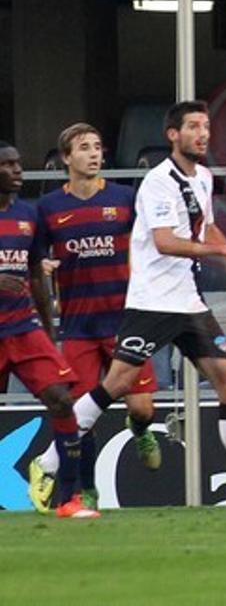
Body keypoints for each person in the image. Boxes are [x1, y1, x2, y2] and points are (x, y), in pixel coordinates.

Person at [67, 101, 226, 510]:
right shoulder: (157, 182)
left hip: (187, 302)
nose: (203, 134)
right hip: (151, 302)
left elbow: (205, 226)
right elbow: (166, 242)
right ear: (173, 135)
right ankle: (47, 463)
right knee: (116, 385)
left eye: (206, 126)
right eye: (193, 127)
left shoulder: (202, 176)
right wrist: (220, 252)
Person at [27, 123, 161, 514]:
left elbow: (151, 243)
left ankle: (139, 430)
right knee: (79, 418)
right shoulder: (49, 208)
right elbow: (35, 261)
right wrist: (45, 267)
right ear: (66, 158)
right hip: (79, 327)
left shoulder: (124, 198)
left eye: (98, 147)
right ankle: (87, 491)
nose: (93, 154)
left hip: (125, 321)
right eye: (84, 148)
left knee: (142, 408)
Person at [0, 140, 96, 518]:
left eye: (19, 163)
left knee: (61, 400)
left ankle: (67, 500)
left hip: (24, 329)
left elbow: (38, 276)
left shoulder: (29, 215)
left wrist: (51, 333)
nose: (18, 170)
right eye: (8, 165)